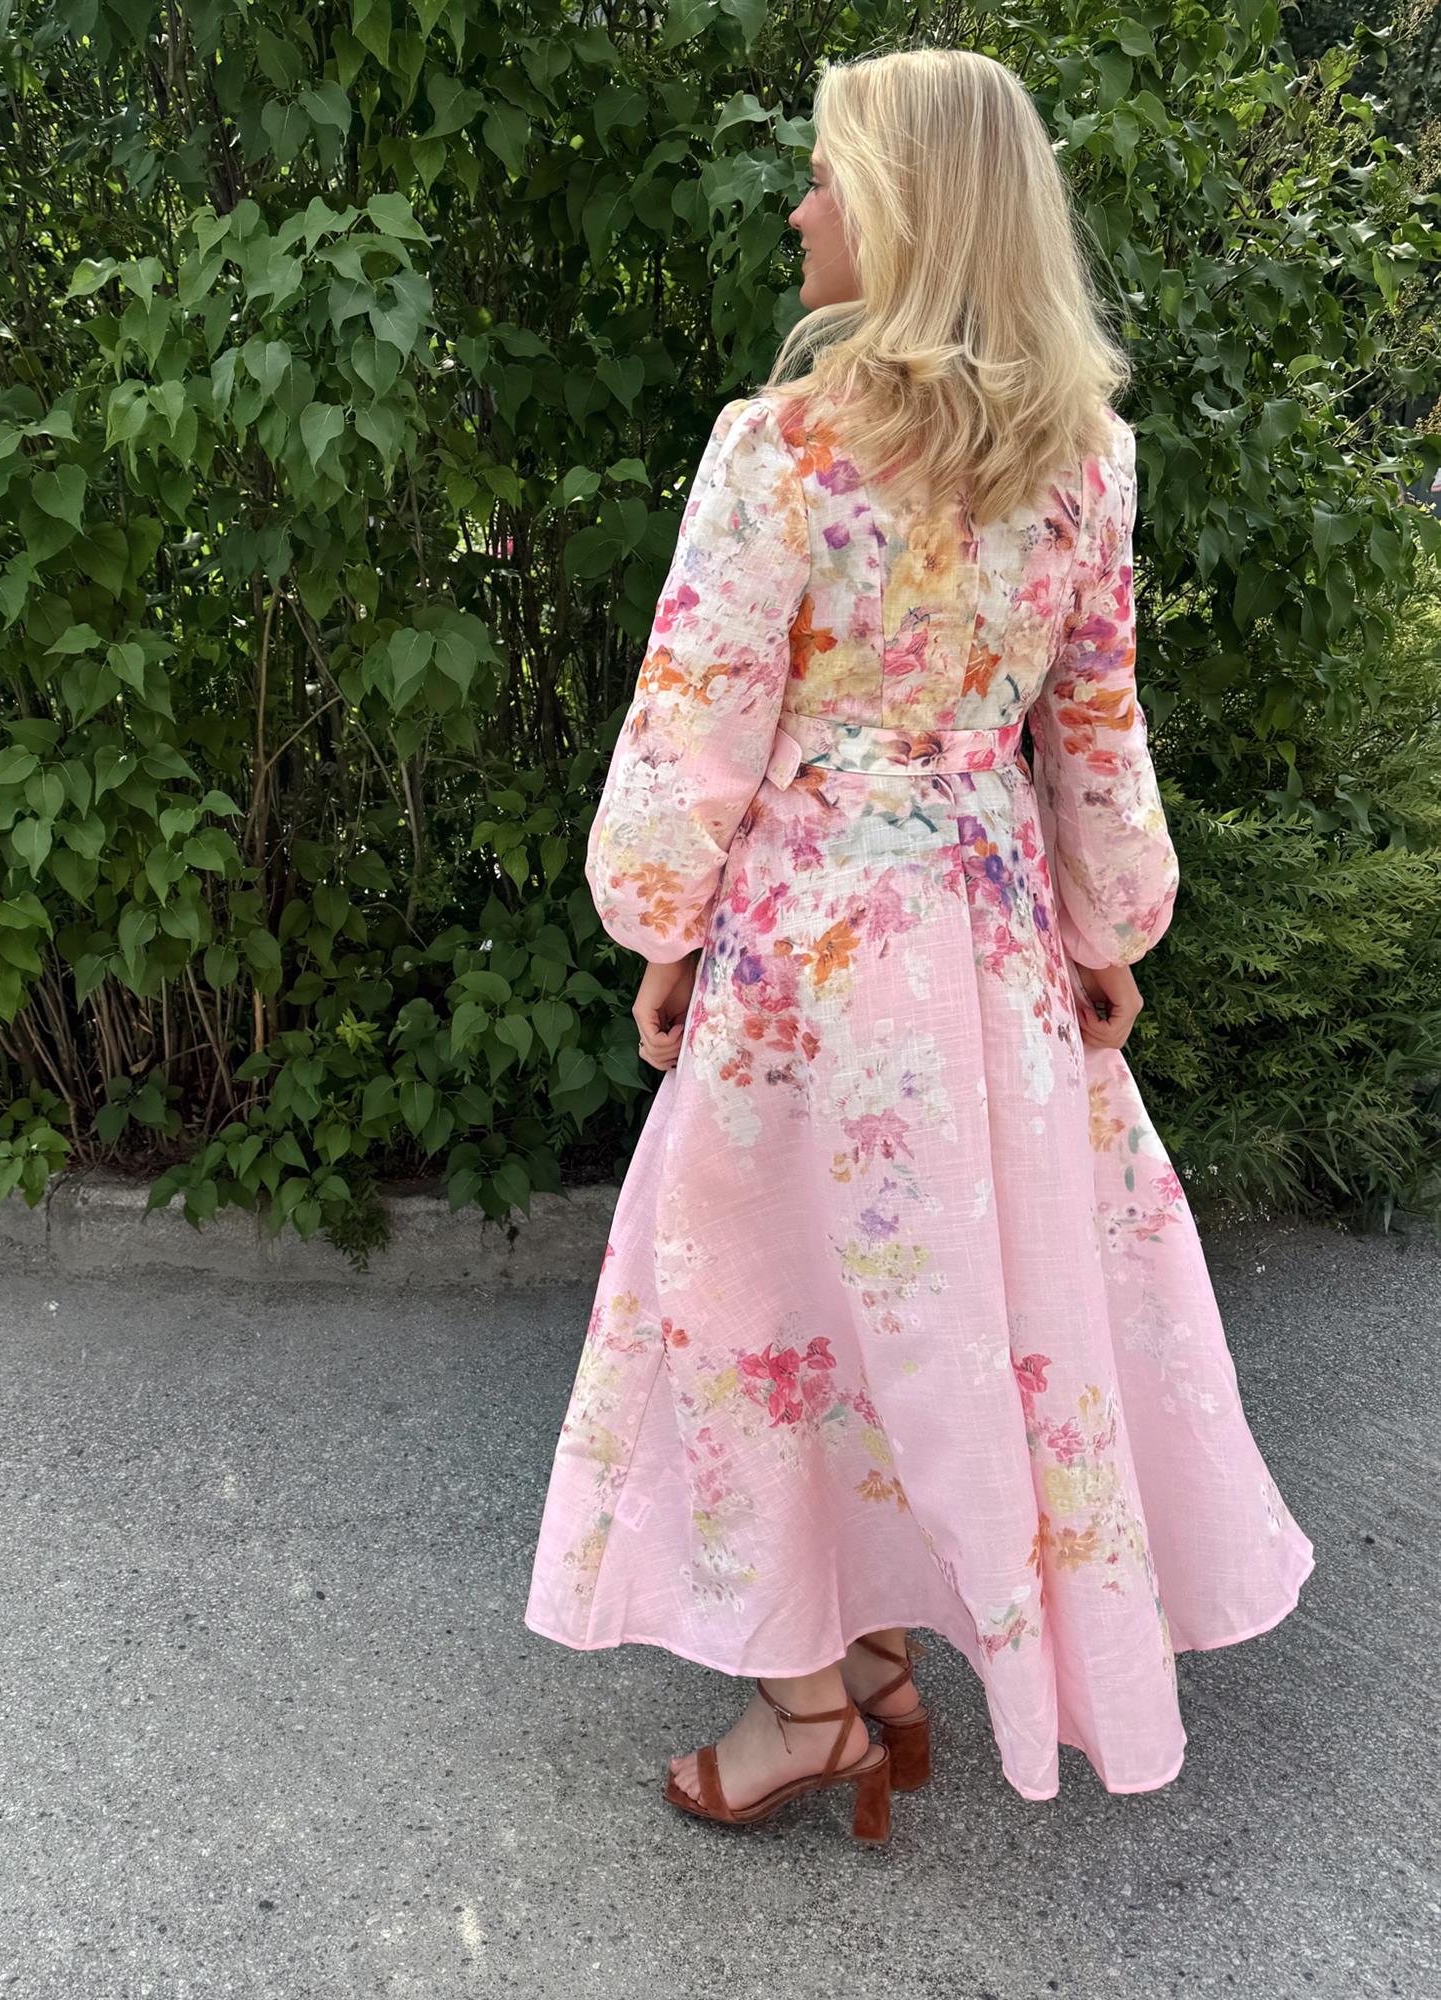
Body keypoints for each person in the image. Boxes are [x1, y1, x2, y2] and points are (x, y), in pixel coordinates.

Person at [523, 45, 1315, 1840]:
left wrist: (660, 923)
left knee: (761, 1300)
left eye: (828, 176)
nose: (803, 207)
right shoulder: (1086, 462)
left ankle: (812, 1703)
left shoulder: (783, 450)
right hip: (989, 953)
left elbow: (697, 724)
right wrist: (1109, 926)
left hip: (806, 963)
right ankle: (874, 1663)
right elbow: (1095, 735)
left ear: (902, 211)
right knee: (955, 1296)